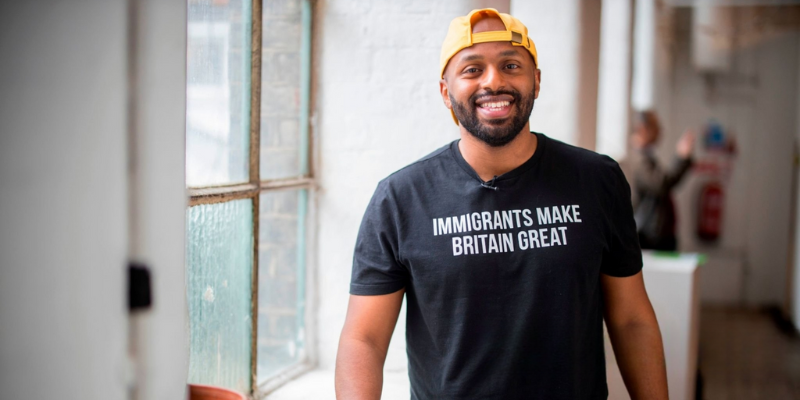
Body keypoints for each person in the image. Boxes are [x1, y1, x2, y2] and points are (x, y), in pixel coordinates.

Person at [335, 8, 668, 400]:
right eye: (472, 69)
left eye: (511, 65)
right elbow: (364, 340)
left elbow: (631, 319)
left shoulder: (596, 180)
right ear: (446, 91)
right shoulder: (400, 198)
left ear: (536, 82)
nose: (494, 81)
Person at [621, 111, 694, 251]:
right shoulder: (638, 160)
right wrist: (682, 157)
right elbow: (661, 184)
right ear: (643, 129)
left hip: (654, 236)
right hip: (650, 238)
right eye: (656, 127)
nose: (661, 132)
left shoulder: (644, 156)